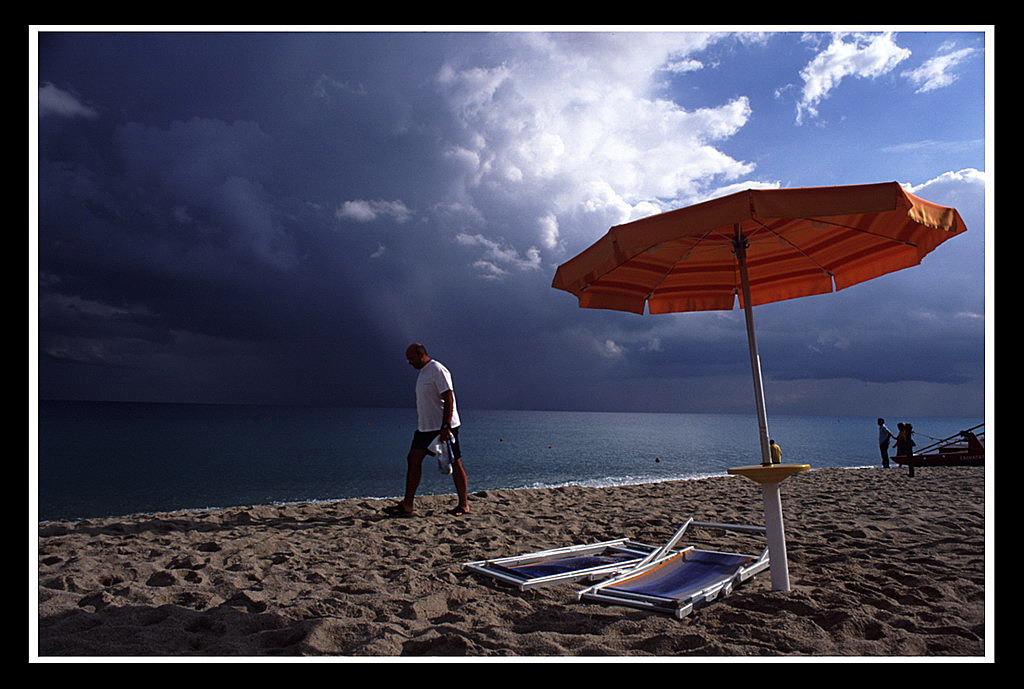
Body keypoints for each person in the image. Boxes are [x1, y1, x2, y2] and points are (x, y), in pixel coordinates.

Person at [383, 343, 470, 518]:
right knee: (413, 459)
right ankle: (407, 505)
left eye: (412, 358)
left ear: (421, 355)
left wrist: (446, 426)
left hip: (444, 426)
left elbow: (449, 397)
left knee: (455, 461)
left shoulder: (438, 370)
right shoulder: (423, 373)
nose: (409, 362)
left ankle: (464, 505)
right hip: (425, 427)